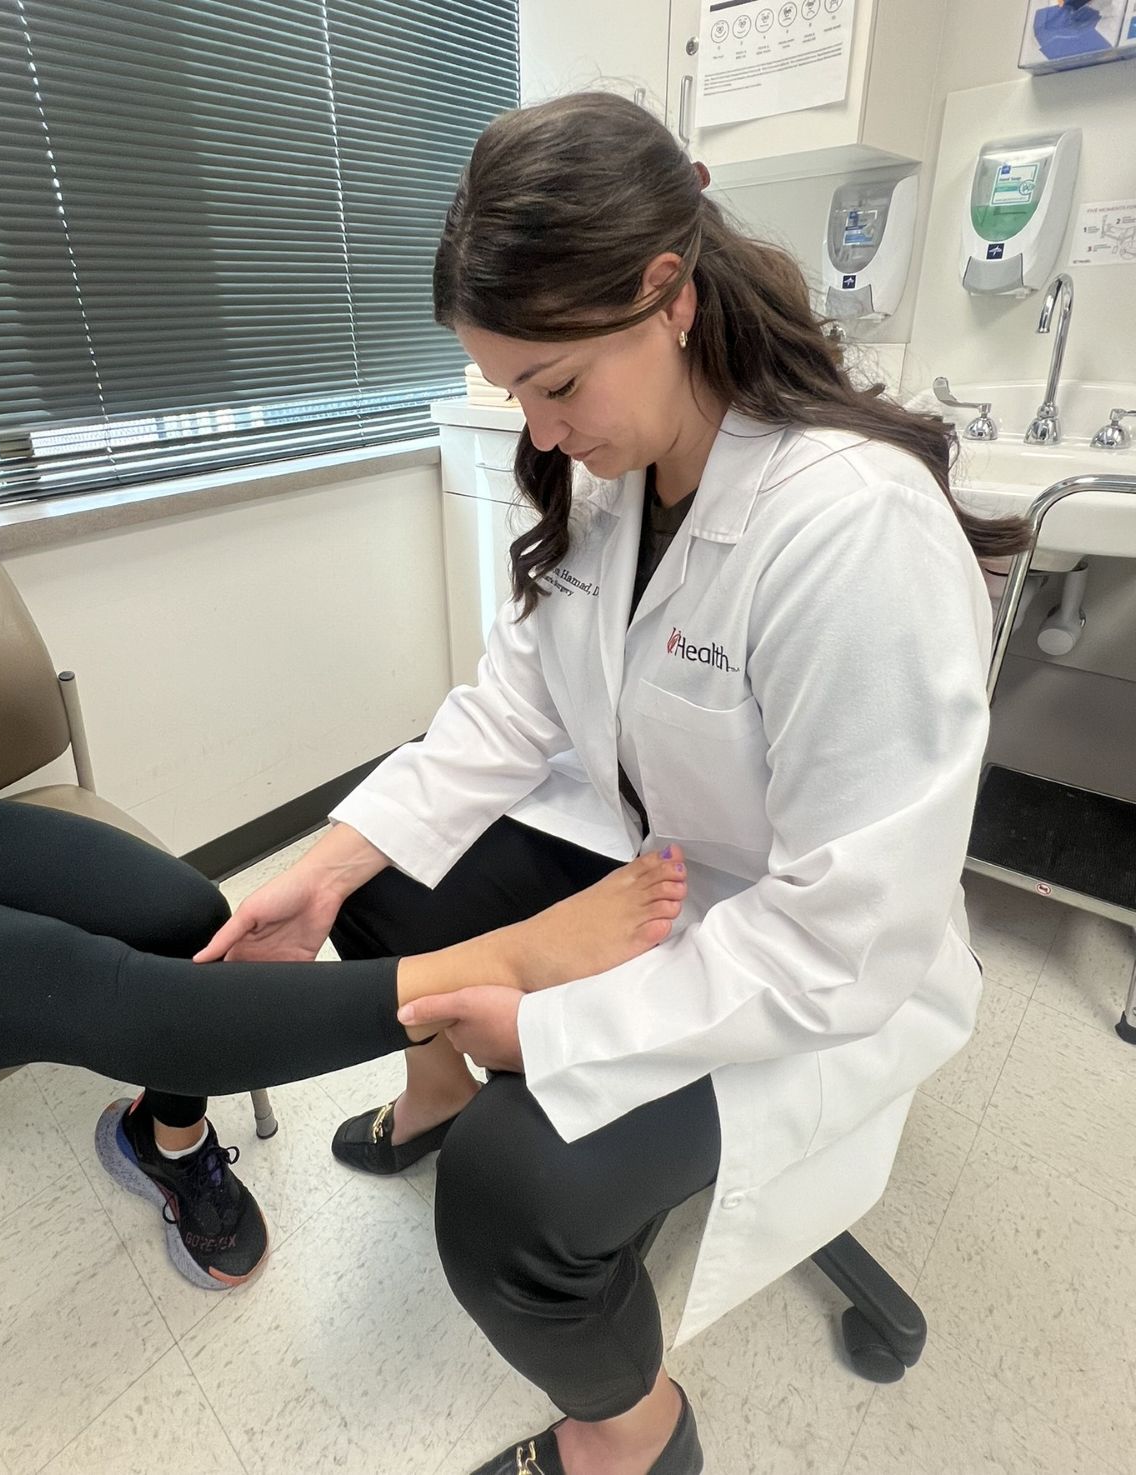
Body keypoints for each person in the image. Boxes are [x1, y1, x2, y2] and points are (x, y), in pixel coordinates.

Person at [201, 93, 1030, 1475]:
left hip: (819, 965)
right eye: (514, 392)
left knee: (509, 1201)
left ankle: (630, 1432)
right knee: (394, 884)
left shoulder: (850, 530)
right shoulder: (622, 485)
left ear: (668, 295)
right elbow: (508, 706)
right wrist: (330, 859)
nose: (538, 429)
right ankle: (445, 1090)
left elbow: (849, 930)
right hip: (678, 881)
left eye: (556, 382)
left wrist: (556, 1037)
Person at [0, 503, 687, 1297]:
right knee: (68, 979)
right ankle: (499, 962)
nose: (538, 432)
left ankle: (168, 1141)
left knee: (188, 916)